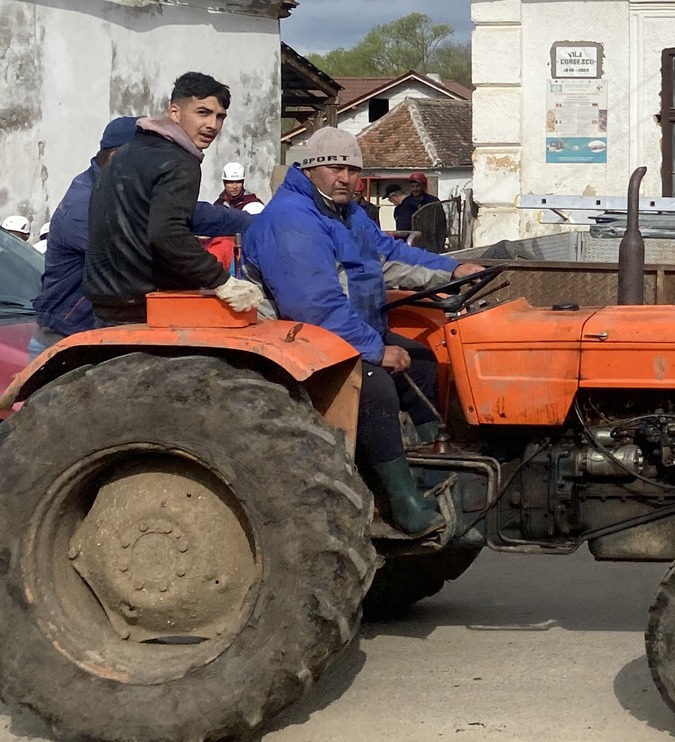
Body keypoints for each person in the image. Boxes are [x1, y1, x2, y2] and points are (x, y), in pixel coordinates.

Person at [243, 127, 484, 536]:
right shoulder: (290, 221)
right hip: (300, 339)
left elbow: (389, 255)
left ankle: (433, 474)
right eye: (335, 167)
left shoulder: (349, 213)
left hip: (349, 330)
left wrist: (452, 270)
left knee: (425, 361)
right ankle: (402, 501)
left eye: (353, 170)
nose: (346, 178)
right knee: (375, 385)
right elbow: (313, 305)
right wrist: (374, 349)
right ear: (311, 170)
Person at [30, 117, 252, 354]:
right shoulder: (86, 205)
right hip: (66, 338)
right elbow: (155, 246)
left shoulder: (126, 193)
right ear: (119, 157)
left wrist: (257, 222)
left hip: (101, 331)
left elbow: (192, 214)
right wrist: (216, 279)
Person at [84, 73, 262, 326]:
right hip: (150, 305)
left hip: (107, 303)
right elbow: (168, 232)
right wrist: (222, 281)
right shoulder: (180, 162)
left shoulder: (126, 153)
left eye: (220, 116)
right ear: (174, 112)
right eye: (202, 112)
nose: (213, 124)